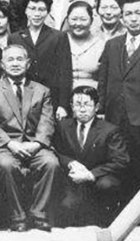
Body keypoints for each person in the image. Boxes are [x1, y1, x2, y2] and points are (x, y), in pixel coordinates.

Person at [0, 43, 60, 231]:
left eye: (20, 59)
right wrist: (11, 144)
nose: (15, 63)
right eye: (10, 59)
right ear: (2, 64)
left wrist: (36, 144)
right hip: (6, 145)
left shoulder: (42, 90)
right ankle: (17, 216)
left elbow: (47, 121)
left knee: (51, 163)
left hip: (35, 145)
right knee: (7, 165)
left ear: (27, 64)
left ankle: (38, 213)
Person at [52, 86, 130, 226]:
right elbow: (55, 151)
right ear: (71, 107)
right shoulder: (62, 127)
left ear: (97, 107)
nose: (82, 109)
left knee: (108, 185)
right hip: (73, 179)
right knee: (67, 208)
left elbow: (121, 160)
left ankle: (105, 221)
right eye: (77, 104)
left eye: (87, 104)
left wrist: (91, 174)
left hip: (99, 179)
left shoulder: (110, 130)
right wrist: (70, 163)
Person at [97, 0, 140, 194]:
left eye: (139, 13)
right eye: (129, 14)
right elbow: (104, 81)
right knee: (118, 165)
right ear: (122, 18)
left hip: (139, 117)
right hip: (115, 117)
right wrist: (101, 110)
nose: (133, 18)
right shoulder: (112, 45)